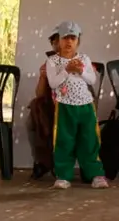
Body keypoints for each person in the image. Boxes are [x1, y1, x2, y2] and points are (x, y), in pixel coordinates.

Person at [45, 21, 108, 190]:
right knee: (64, 140)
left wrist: (80, 70)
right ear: (58, 40)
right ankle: (63, 176)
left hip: (86, 105)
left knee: (89, 139)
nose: (69, 42)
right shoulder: (52, 61)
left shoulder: (84, 59)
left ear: (78, 41)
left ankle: (95, 174)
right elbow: (53, 83)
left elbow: (92, 80)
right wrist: (67, 69)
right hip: (65, 106)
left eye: (73, 38)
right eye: (65, 38)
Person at [27, 32, 60, 180]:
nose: (57, 46)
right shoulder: (49, 63)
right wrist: (42, 76)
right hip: (50, 106)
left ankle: (54, 162)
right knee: (33, 116)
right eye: (54, 43)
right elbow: (39, 94)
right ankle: (42, 161)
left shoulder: (77, 61)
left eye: (60, 41)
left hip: (72, 105)